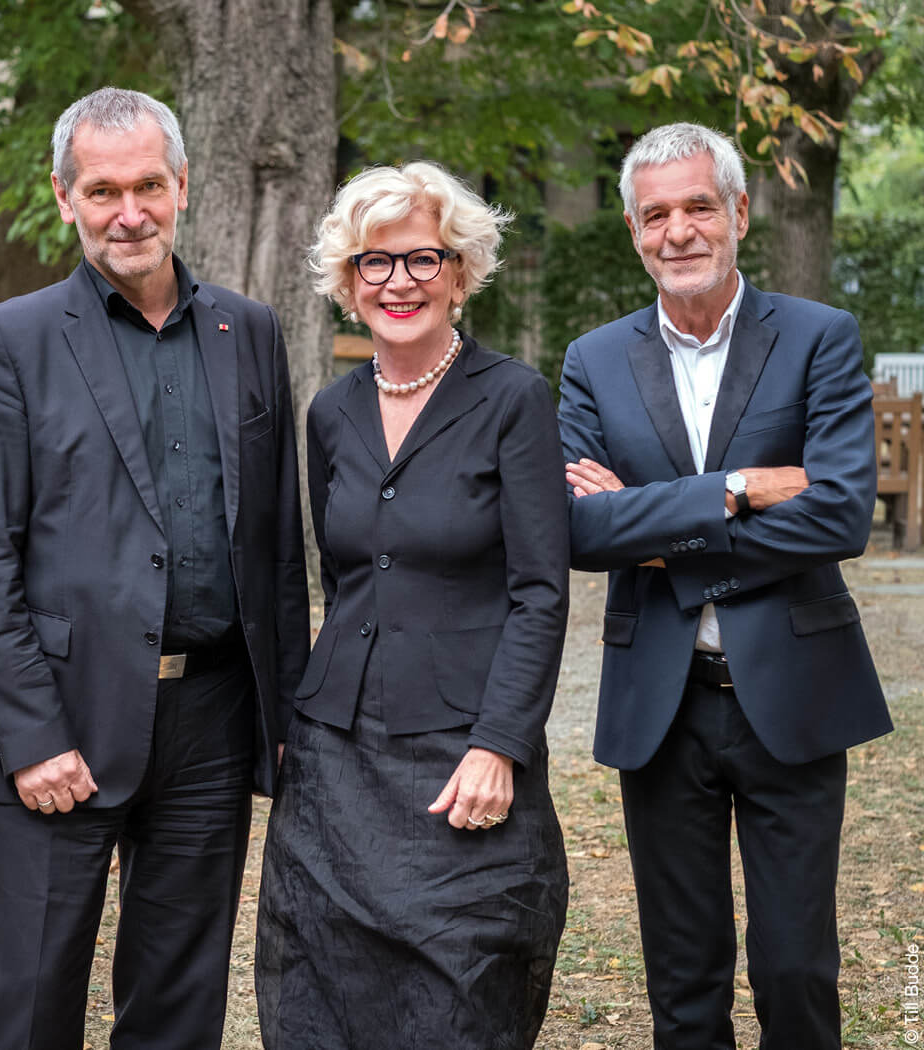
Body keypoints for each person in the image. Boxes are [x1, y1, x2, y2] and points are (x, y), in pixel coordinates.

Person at [0, 86, 311, 1050]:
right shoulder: (8, 342)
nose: (129, 212)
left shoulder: (251, 331)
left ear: (182, 186)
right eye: (103, 191)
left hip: (215, 720)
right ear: (65, 198)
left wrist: (283, 715)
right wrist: (29, 735)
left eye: (148, 184)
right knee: (33, 996)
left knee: (180, 1000)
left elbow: (275, 546)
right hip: (62, 719)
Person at [558, 122, 892, 1050]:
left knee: (795, 968)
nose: (679, 232)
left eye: (699, 206)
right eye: (656, 214)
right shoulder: (594, 359)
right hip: (661, 705)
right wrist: (736, 491)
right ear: (633, 229)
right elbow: (579, 528)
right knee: (683, 972)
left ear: (739, 212)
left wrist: (657, 528)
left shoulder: (820, 338)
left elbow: (837, 518)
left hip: (793, 691)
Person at [255, 161, 570, 1049]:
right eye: (374, 263)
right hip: (335, 762)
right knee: (326, 987)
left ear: (460, 273)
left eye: (423, 259)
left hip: (460, 754)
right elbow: (341, 580)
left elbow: (541, 593)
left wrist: (499, 745)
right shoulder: (330, 412)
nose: (399, 282)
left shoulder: (513, 398)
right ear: (348, 284)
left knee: (459, 994)